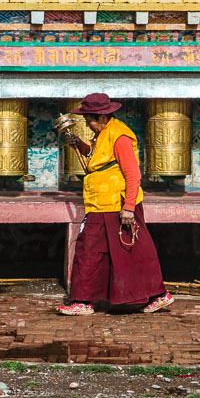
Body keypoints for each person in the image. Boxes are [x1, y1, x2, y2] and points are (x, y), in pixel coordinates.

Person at [56, 92, 173, 317]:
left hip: (117, 203)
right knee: (93, 250)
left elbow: (132, 174)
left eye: (89, 120)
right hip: (100, 203)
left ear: (101, 117)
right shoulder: (104, 134)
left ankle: (158, 295)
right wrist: (79, 145)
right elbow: (98, 159)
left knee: (133, 250)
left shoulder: (120, 136)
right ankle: (85, 300)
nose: (88, 125)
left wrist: (128, 207)